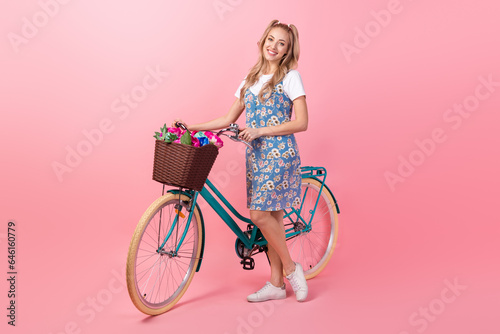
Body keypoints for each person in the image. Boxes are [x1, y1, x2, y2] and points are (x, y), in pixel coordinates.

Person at [173, 19, 309, 302]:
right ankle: (276, 285)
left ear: (287, 51)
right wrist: (194, 127)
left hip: (280, 153)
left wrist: (260, 130)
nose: (274, 46)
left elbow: (302, 122)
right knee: (271, 218)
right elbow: (227, 118)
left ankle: (291, 268)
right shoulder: (250, 79)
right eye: (271, 39)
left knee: (259, 215)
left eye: (281, 43)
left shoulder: (290, 77)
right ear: (263, 41)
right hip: (257, 157)